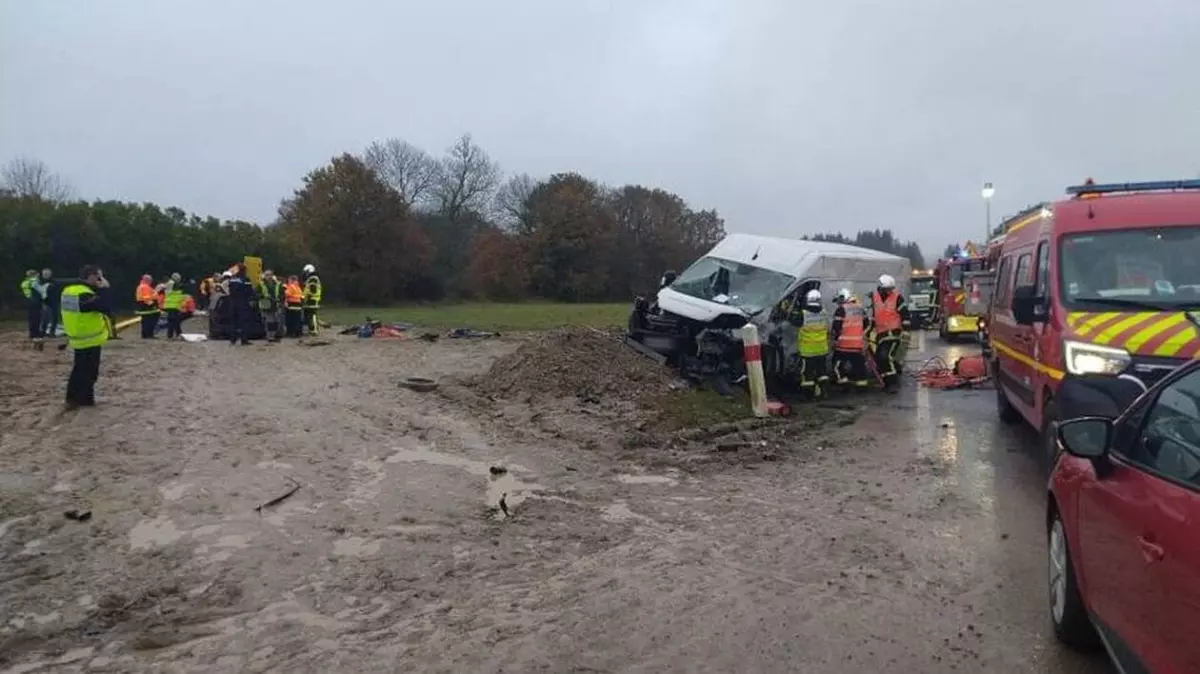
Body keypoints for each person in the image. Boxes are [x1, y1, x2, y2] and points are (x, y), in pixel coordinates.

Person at [61, 265, 110, 409]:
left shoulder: (68, 291)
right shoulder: (86, 294)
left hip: (77, 336)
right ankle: (83, 399)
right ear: (92, 277)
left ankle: (76, 398)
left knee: (79, 369)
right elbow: (105, 307)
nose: (100, 280)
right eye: (99, 277)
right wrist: (105, 289)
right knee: (89, 371)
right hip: (90, 337)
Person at [869, 274, 910, 393]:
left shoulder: (897, 297)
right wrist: (868, 329)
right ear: (880, 288)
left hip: (894, 332)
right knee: (879, 357)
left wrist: (906, 329)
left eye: (891, 289)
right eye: (887, 289)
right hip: (881, 333)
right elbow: (874, 314)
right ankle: (888, 379)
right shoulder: (875, 297)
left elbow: (905, 314)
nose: (889, 291)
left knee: (885, 356)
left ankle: (892, 382)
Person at [831, 288, 871, 388]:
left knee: (837, 365)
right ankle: (862, 386)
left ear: (843, 298)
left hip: (843, 345)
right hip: (857, 345)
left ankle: (844, 384)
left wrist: (835, 341)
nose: (838, 304)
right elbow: (867, 324)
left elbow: (836, 327)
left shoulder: (841, 309)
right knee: (859, 366)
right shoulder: (860, 308)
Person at [795, 288, 830, 398]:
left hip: (808, 350)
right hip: (822, 348)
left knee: (807, 374)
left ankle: (809, 395)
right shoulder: (824, 312)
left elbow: (794, 322)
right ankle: (824, 392)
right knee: (822, 372)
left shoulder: (803, 314)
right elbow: (828, 327)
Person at [226, 264, 256, 345]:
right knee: (244, 322)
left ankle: (233, 339)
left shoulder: (232, 279)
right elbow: (249, 291)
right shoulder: (246, 279)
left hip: (233, 302)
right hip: (243, 302)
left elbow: (229, 290)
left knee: (233, 322)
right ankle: (244, 339)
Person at [257, 270, 284, 342]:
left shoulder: (278, 284)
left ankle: (275, 335)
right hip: (266, 304)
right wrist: (263, 296)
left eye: (269, 275)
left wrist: (281, 300)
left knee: (276, 321)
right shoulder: (261, 284)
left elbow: (282, 293)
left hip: (276, 304)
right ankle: (270, 336)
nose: (268, 277)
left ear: (272, 275)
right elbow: (257, 294)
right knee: (269, 321)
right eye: (266, 275)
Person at [163, 274, 188, 339]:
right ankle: (177, 334)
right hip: (172, 305)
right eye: (178, 279)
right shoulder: (172, 283)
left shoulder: (170, 283)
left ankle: (173, 334)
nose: (179, 280)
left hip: (172, 305)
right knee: (174, 320)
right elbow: (178, 289)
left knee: (172, 320)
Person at [20, 269, 43, 343]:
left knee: (31, 318)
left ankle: (31, 334)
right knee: (37, 318)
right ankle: (36, 335)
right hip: (35, 302)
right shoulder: (34, 282)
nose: (38, 276)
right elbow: (41, 290)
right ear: (33, 275)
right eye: (37, 274)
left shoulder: (25, 282)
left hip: (28, 301)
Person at [135, 274, 159, 338]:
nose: (151, 281)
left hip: (143, 305)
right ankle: (149, 334)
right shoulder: (145, 287)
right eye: (150, 280)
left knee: (145, 320)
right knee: (149, 320)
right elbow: (146, 298)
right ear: (147, 280)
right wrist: (152, 305)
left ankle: (145, 334)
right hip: (147, 306)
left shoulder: (141, 286)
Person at [301, 263, 322, 335]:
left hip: (312, 299)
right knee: (309, 315)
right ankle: (311, 329)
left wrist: (306, 296)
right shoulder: (311, 279)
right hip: (310, 299)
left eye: (306, 272)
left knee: (312, 314)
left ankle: (314, 330)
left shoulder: (313, 279)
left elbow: (312, 289)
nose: (305, 274)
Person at [39, 268, 59, 338]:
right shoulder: (41, 283)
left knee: (54, 319)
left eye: (47, 274)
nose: (46, 275)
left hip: (54, 302)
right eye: (45, 274)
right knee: (45, 319)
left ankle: (52, 332)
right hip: (46, 303)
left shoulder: (54, 282)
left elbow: (57, 292)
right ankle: (42, 332)